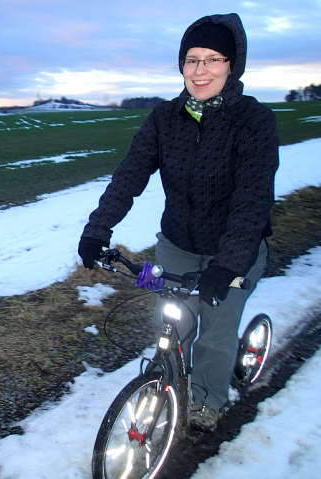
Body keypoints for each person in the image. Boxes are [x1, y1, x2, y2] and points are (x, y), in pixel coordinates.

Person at [78, 13, 279, 433]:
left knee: (214, 334)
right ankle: (163, 382)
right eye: (192, 60)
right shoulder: (164, 118)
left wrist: (229, 263)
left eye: (212, 59)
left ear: (231, 65)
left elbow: (252, 198)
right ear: (181, 66)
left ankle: (207, 400)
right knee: (171, 326)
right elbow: (130, 174)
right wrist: (98, 228)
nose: (200, 70)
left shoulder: (254, 121)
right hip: (177, 244)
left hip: (233, 250)